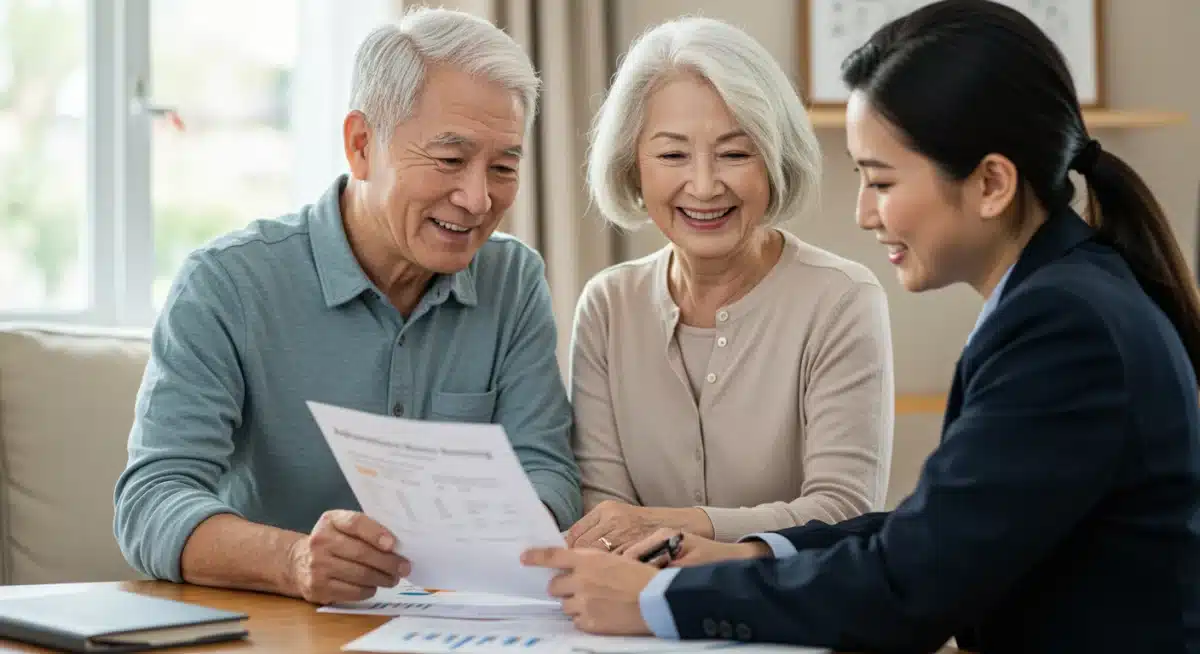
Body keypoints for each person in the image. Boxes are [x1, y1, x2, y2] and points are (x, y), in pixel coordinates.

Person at [522, 1, 1200, 651]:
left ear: (992, 184)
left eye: (880, 181)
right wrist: (739, 552)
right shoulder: (1066, 298)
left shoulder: (1061, 328)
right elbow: (924, 536)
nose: (864, 215)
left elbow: (908, 587)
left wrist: (658, 600)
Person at [113, 7, 582, 606]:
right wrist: (293, 561)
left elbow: (547, 475)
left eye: (504, 167)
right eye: (449, 160)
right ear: (362, 146)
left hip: (459, 624)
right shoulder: (227, 283)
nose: (476, 198)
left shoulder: (513, 280)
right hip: (274, 629)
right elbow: (152, 499)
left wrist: (498, 545)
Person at [564, 15, 895, 553]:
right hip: (639, 619)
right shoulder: (607, 304)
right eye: (672, 154)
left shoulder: (842, 298)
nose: (703, 185)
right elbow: (605, 520)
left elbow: (842, 512)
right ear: (633, 167)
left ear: (773, 158)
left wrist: (680, 527)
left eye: (735, 153)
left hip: (791, 622)